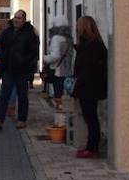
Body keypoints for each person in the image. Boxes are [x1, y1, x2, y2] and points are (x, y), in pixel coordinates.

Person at [0, 10, 39, 130]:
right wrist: (3, 57)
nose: (16, 20)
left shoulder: (29, 33)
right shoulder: (7, 32)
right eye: (15, 17)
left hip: (22, 70)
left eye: (19, 18)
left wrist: (24, 61)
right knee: (4, 95)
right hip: (8, 68)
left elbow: (33, 52)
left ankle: (22, 120)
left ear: (24, 20)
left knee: (22, 96)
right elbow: (0, 47)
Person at [71, 16, 108, 159]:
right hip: (88, 87)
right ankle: (90, 147)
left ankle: (92, 148)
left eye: (79, 26)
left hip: (89, 88)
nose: (77, 28)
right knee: (90, 118)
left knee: (91, 119)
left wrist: (77, 84)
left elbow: (88, 69)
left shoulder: (93, 46)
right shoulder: (91, 44)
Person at [41, 17, 73, 110]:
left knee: (58, 96)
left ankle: (60, 115)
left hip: (57, 71)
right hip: (67, 71)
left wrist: (45, 58)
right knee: (66, 96)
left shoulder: (56, 38)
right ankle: (65, 113)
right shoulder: (69, 38)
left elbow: (55, 55)